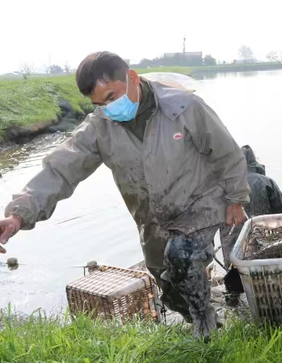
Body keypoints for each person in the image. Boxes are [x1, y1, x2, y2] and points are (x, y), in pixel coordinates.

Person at [0, 52, 249, 339]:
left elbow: (226, 151)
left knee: (182, 255)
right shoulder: (100, 127)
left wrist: (235, 197)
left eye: (111, 97)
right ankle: (199, 317)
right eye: (99, 103)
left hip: (199, 203)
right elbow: (60, 169)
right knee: (168, 284)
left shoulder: (184, 106)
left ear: (131, 78)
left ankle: (206, 329)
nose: (108, 108)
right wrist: (18, 215)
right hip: (152, 218)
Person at [221, 145, 282, 306]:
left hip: (233, 256)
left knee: (237, 288)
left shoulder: (223, 188)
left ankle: (235, 300)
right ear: (254, 163)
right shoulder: (266, 182)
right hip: (264, 253)